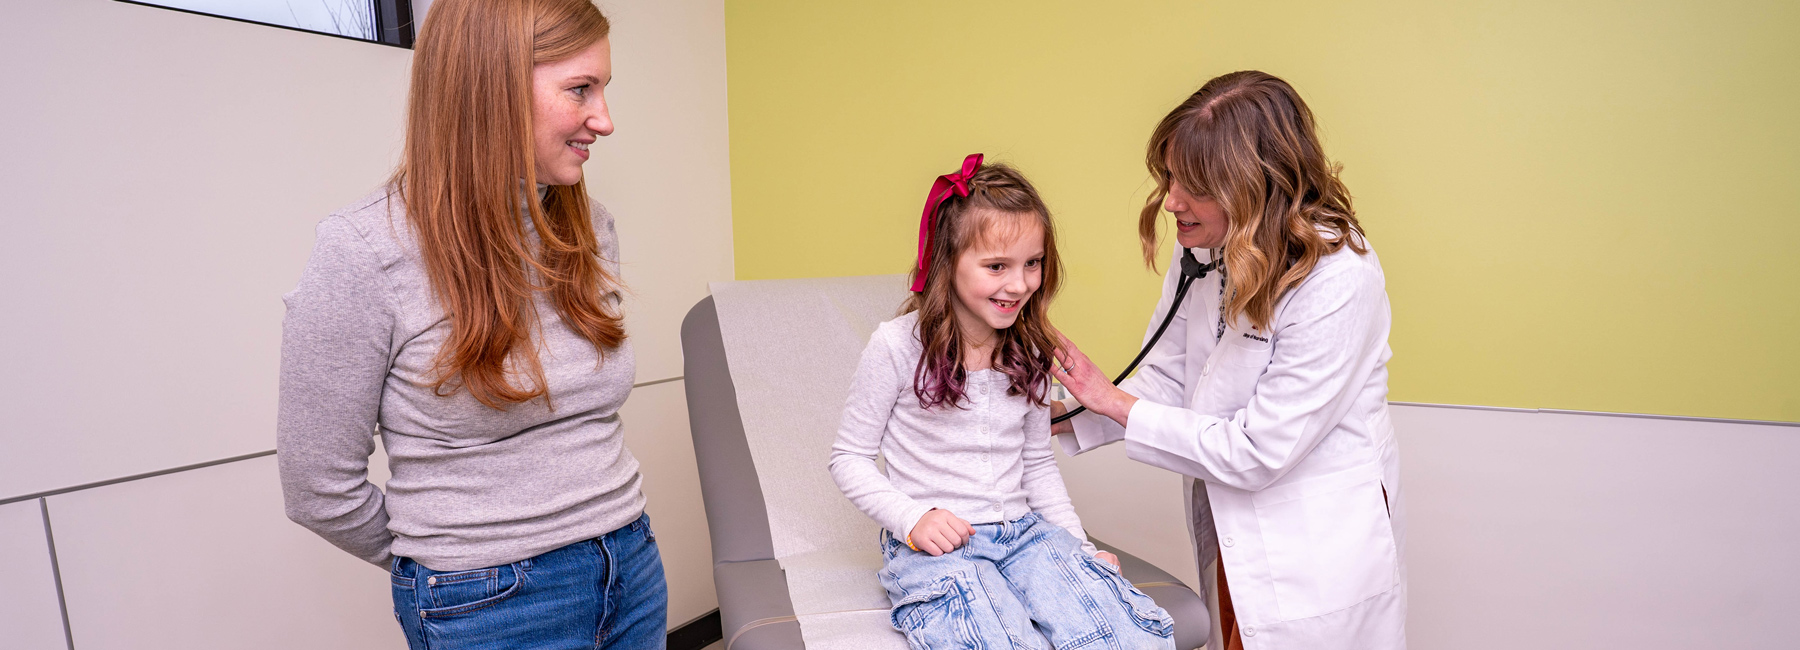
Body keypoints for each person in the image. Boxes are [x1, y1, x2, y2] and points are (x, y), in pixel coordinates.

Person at [275, 1, 667, 648]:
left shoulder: (590, 225)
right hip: (488, 602)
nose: (604, 119)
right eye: (580, 90)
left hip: (630, 566)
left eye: (603, 88)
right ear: (492, 88)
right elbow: (318, 489)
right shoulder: (363, 250)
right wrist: (444, 561)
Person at [1051, 71, 1407, 650]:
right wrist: (1055, 414)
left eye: (1194, 184)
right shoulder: (1206, 248)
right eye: (1169, 176)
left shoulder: (1339, 278)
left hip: (1313, 552)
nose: (1171, 201)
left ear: (1254, 183)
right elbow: (1168, 375)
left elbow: (1260, 450)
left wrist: (1111, 400)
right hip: (1233, 532)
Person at [829, 155, 1176, 650]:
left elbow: (1037, 464)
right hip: (940, 550)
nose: (1019, 284)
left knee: (1123, 635)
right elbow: (848, 458)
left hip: (1027, 537)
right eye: (997, 266)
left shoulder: (1031, 347)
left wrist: (1079, 548)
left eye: (1032, 263)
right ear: (947, 262)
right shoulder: (894, 345)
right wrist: (913, 519)